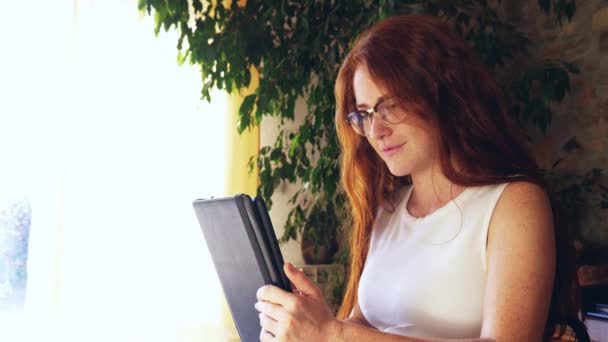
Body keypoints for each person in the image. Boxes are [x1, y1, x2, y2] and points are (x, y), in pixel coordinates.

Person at [255, 15, 586, 341]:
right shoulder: (388, 209)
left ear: (445, 96)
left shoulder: (513, 202)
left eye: (391, 106)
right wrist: (313, 323)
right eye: (365, 114)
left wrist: (332, 334)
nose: (376, 130)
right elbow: (362, 326)